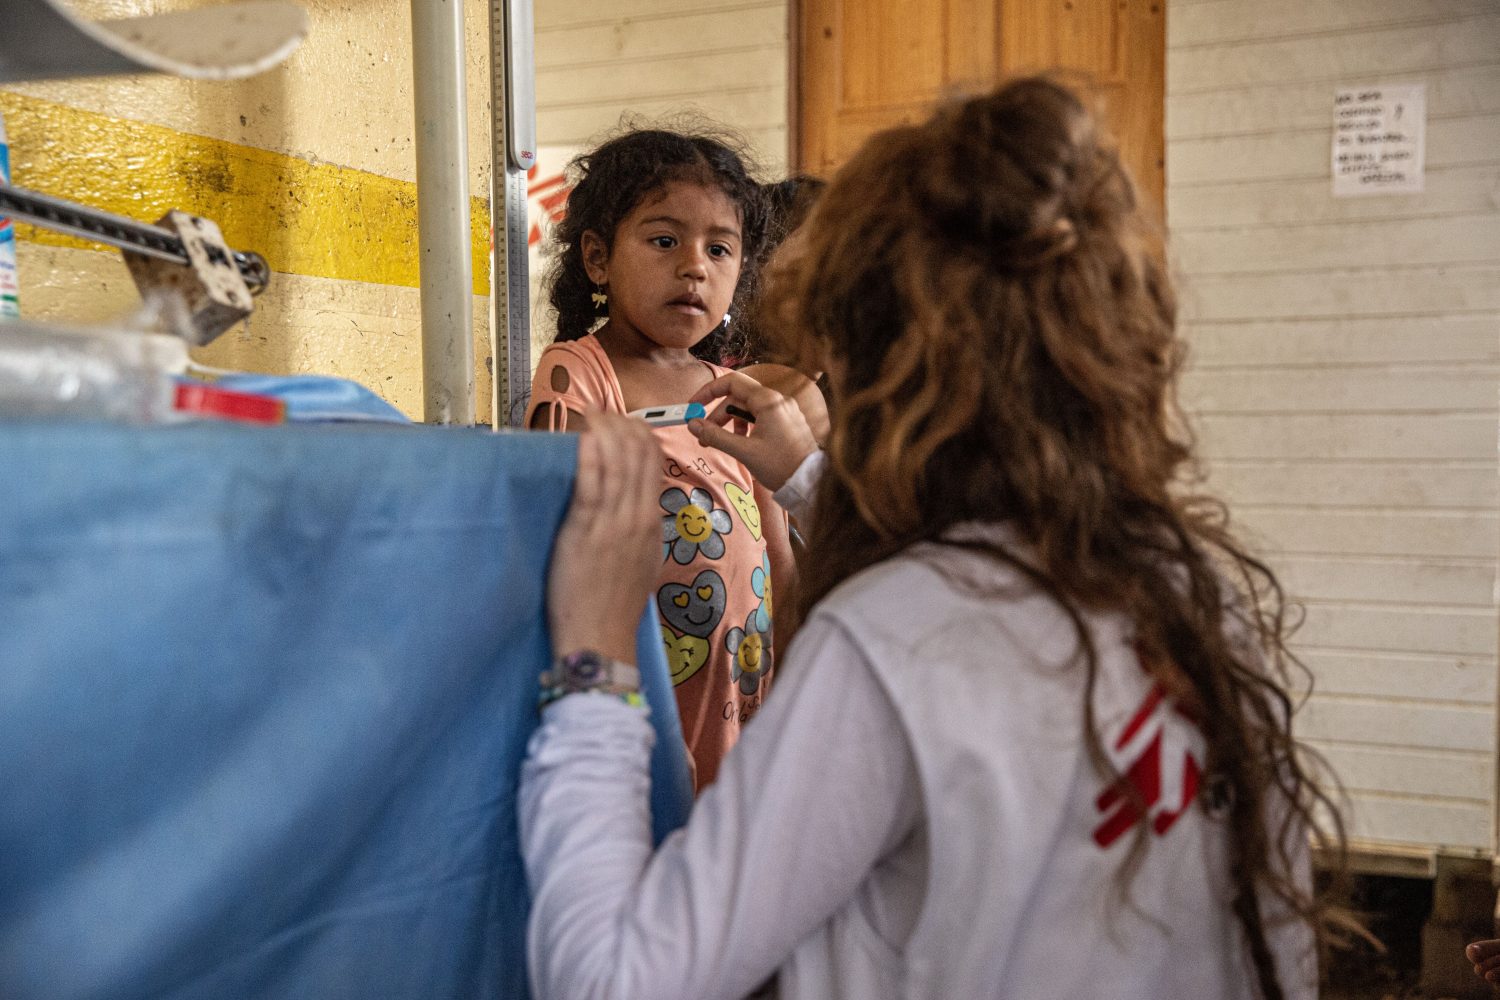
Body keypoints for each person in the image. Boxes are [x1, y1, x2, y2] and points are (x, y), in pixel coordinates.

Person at [520, 78, 1351, 999]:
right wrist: (806, 478)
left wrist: (594, 664)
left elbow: (615, 980)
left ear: (875, 357)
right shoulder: (1194, 597)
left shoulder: (892, 643)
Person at [525, 127, 796, 791]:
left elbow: (779, 556)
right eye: (665, 240)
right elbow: (560, 510)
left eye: (720, 248)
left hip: (747, 701)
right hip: (647, 699)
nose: (695, 266)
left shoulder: (735, 390)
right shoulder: (579, 374)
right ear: (597, 259)